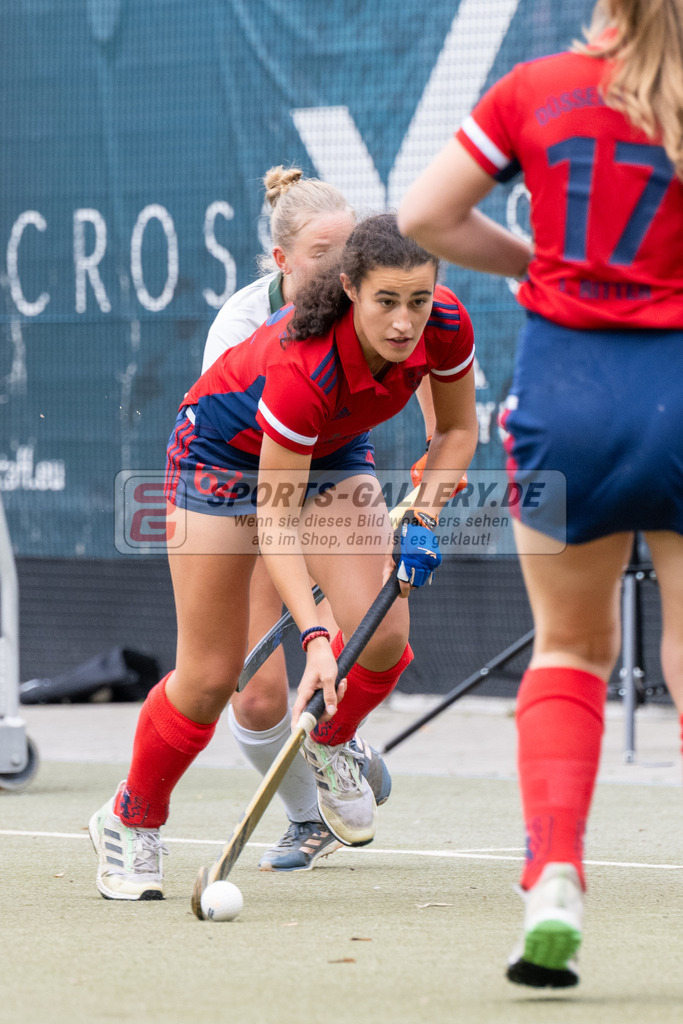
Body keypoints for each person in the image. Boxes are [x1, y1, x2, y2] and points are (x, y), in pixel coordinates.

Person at [398, 0, 683, 989]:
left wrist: (537, 265)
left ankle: (553, 875)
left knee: (567, 647)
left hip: (567, 389)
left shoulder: (537, 89)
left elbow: (423, 215)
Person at [89, 212, 478, 901]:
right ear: (352, 289)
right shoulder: (303, 366)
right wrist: (316, 636)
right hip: (217, 462)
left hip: (328, 455)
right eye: (385, 301)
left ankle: (331, 743)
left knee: (383, 637)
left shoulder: (443, 323)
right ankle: (131, 818)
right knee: (211, 678)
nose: (403, 322)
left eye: (417, 301)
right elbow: (274, 516)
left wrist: (423, 514)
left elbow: (455, 429)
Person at [200, 166, 440, 873]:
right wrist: (310, 615)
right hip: (242, 486)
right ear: (281, 261)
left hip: (330, 470)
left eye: (347, 256)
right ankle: (305, 813)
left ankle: (333, 753)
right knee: (256, 694)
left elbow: (435, 393)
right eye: (320, 256)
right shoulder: (241, 330)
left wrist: (428, 482)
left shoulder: (372, 303)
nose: (339, 270)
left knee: (371, 629)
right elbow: (259, 489)